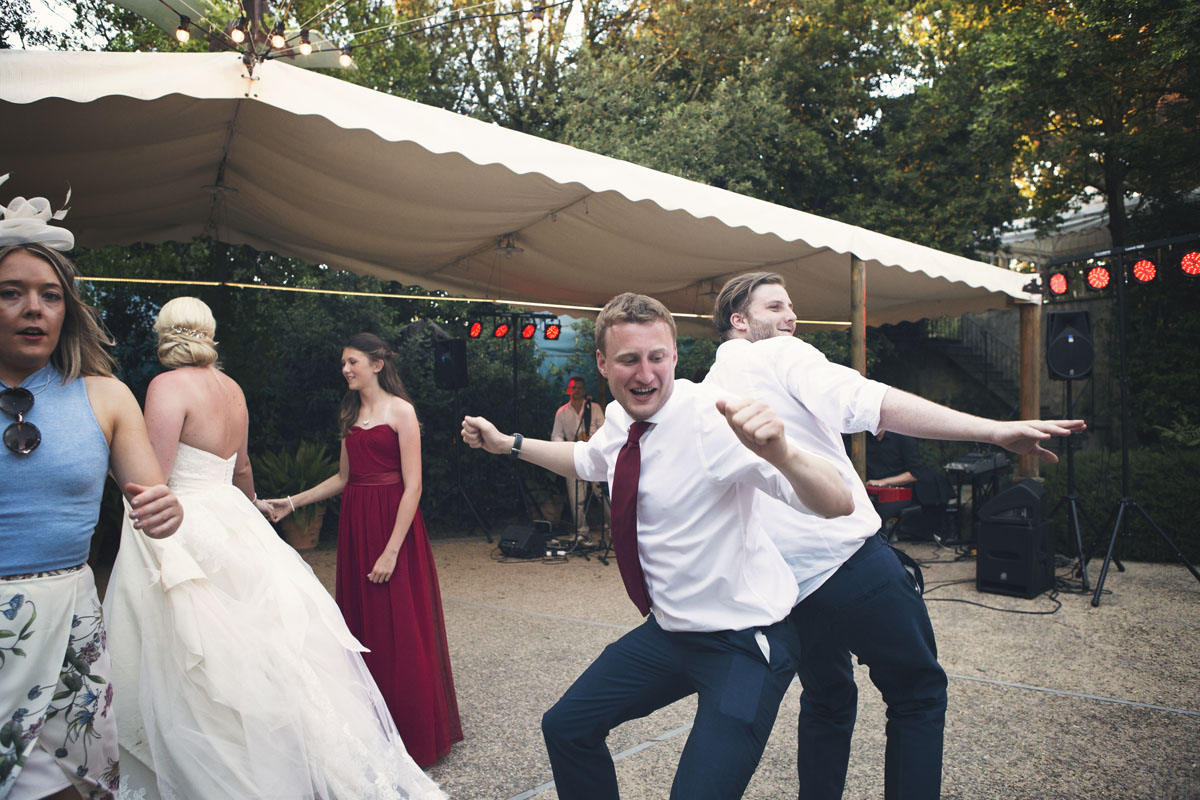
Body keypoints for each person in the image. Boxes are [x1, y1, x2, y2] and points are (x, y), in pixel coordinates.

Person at [707, 271, 1086, 800]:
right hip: (850, 565)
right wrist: (994, 430)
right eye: (775, 307)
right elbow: (870, 399)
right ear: (739, 321)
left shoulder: (706, 392)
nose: (790, 316)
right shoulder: (782, 355)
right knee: (919, 694)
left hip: (787, 589)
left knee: (827, 700)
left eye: (791, 306)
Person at [461, 292, 854, 800]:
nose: (645, 373)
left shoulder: (714, 422)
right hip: (672, 632)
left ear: (673, 356)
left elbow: (837, 503)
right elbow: (589, 460)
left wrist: (782, 452)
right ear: (603, 363)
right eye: (629, 359)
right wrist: (508, 443)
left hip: (745, 643)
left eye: (657, 357)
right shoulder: (626, 421)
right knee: (567, 727)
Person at [102, 301, 445, 799]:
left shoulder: (166, 386)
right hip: (232, 513)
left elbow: (152, 478)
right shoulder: (233, 389)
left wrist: (110, 463)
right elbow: (241, 470)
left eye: (353, 361)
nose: (346, 369)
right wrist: (257, 514)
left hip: (186, 519)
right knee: (263, 643)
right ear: (210, 331)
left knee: (189, 646)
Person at [0, 175, 183, 800]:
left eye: (50, 295)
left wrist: (164, 509)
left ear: (67, 308)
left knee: (77, 787)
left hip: (72, 620)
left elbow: (153, 499)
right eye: (12, 293)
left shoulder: (106, 396)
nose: (34, 308)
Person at [266, 333, 462, 768]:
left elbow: (414, 486)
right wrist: (292, 502)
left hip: (394, 527)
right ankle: (373, 731)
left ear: (377, 364)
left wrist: (392, 551)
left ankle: (414, 734)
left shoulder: (402, 411)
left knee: (401, 626)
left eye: (352, 362)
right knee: (363, 625)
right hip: (358, 526)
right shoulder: (349, 412)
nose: (345, 370)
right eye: (343, 363)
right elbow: (343, 478)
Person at [550, 376, 608, 539]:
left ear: (585, 391)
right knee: (576, 499)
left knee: (602, 494)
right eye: (573, 387)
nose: (576, 390)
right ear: (568, 390)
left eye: (579, 388)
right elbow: (556, 436)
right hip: (574, 456)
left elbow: (604, 430)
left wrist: (592, 439)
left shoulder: (594, 408)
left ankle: (613, 528)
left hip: (595, 455)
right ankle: (581, 531)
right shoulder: (561, 412)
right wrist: (568, 446)